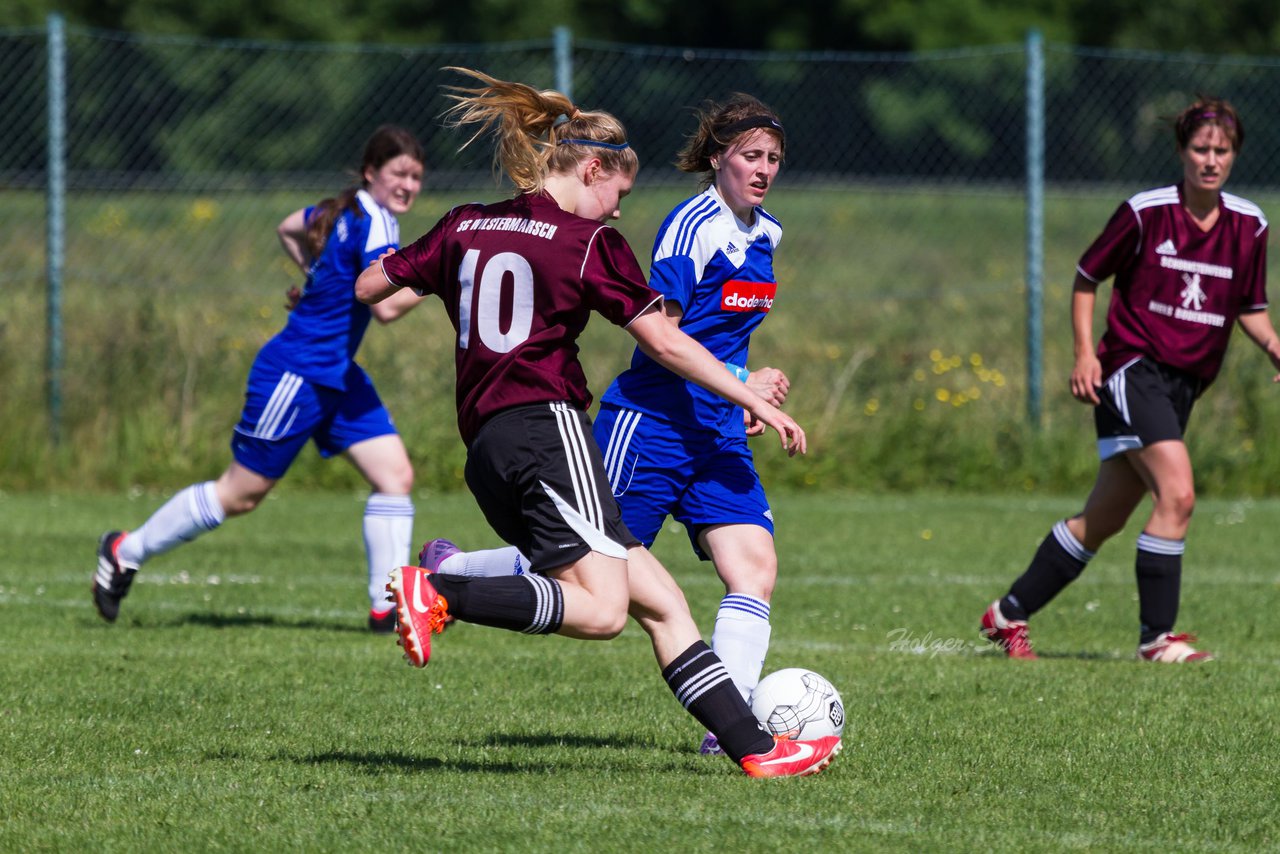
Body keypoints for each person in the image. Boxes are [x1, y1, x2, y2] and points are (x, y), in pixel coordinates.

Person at [356, 67, 840, 778]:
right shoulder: (588, 244)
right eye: (618, 194)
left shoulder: (464, 223)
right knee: (602, 611)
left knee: (666, 605)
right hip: (548, 432)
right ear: (592, 168)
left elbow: (371, 285)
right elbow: (667, 341)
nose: (617, 212)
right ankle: (440, 590)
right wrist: (754, 398)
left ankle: (758, 751)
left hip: (485, 446)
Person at [94, 125, 428, 633]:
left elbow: (287, 227)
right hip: (297, 372)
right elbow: (382, 307)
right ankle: (125, 550)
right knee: (240, 493)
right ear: (371, 173)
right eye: (399, 173)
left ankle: (386, 609)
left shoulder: (345, 210)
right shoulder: (374, 220)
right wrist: (440, 276)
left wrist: (315, 276)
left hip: (336, 372)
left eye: (417, 177)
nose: (408, 185)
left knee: (395, 477)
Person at [980, 97, 1280, 662]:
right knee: (1179, 493)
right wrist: (1083, 355)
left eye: (1222, 151)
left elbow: (1250, 307)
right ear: (1181, 151)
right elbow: (1087, 276)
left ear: (1235, 156)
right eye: (1200, 149)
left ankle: (1007, 613)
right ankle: (1156, 640)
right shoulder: (1147, 212)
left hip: (1185, 385)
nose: (1210, 161)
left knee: (1106, 516)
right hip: (1130, 369)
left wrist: (1273, 347)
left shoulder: (1250, 226)